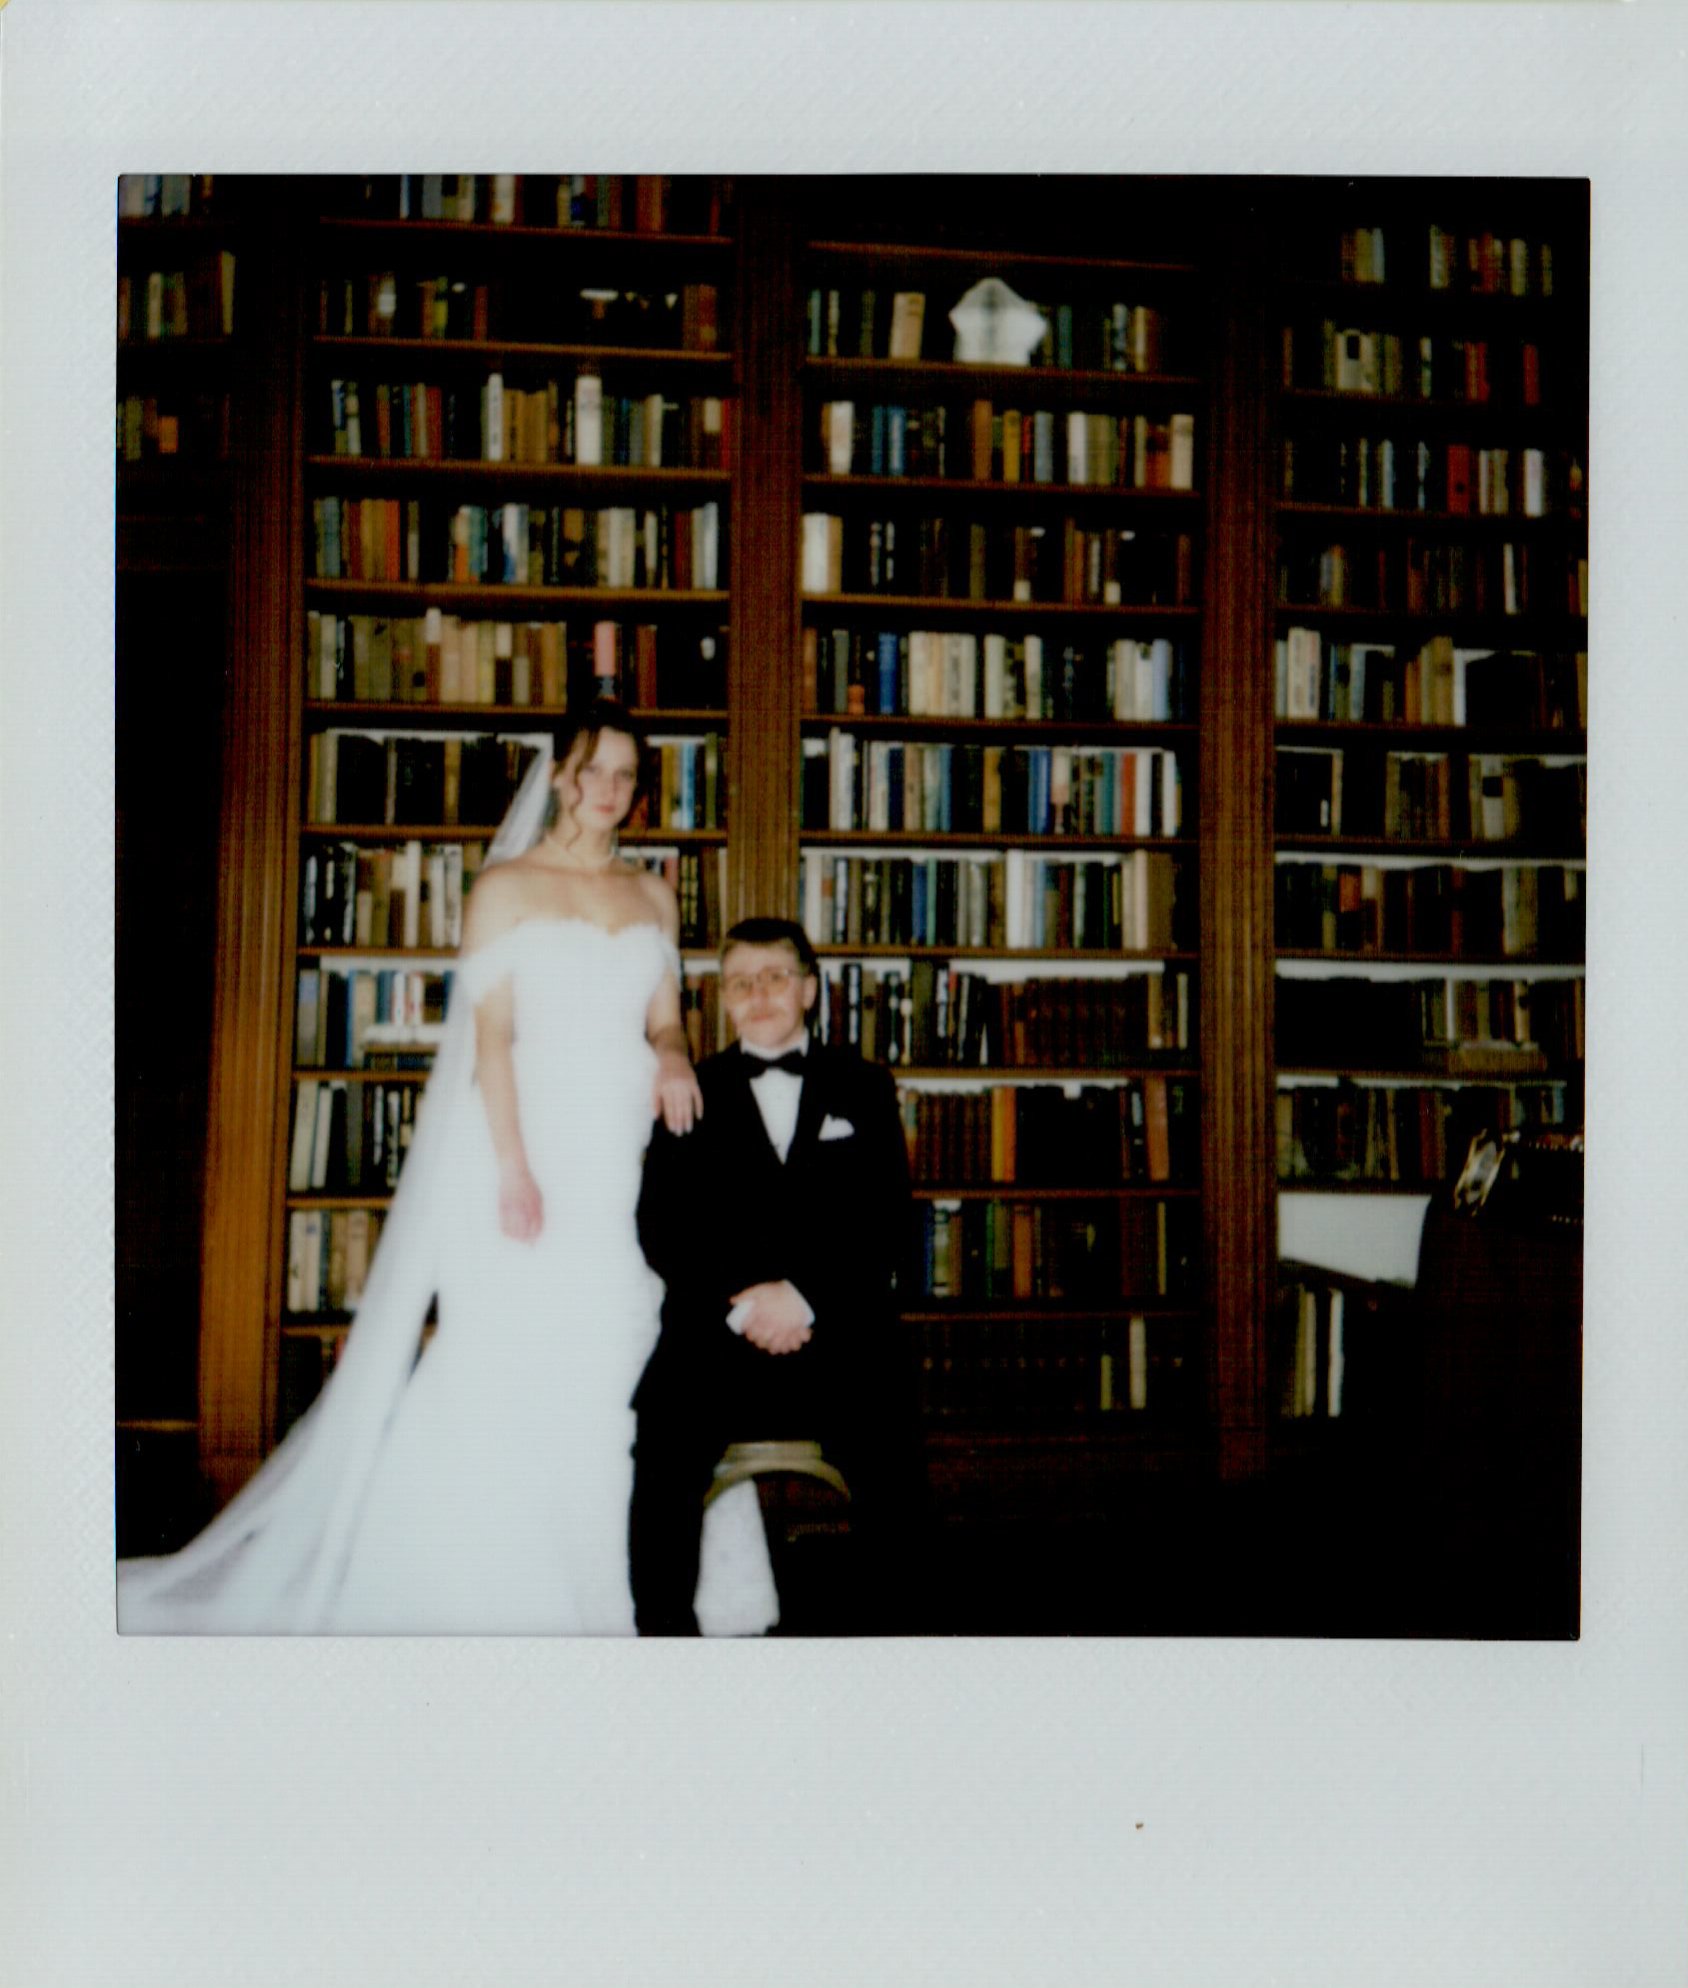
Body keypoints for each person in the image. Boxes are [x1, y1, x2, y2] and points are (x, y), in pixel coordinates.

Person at [118, 703, 777, 1636]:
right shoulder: (504, 888)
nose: (610, 793)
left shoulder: (654, 895)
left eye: (627, 776)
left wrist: (672, 1055)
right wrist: (513, 1167)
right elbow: (493, 1039)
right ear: (559, 775)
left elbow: (665, 1016)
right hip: (527, 1145)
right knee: (512, 1357)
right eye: (595, 771)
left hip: (627, 1158)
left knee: (631, 1355)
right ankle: (498, 1596)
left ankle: (650, 1589)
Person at [630, 917, 925, 1635]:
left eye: (775, 978)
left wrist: (805, 1298)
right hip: (716, 1337)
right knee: (661, 1454)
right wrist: (746, 1306)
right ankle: (659, 1659)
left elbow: (887, 1220)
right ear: (723, 1000)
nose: (758, 995)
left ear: (810, 989)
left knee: (895, 1462)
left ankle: (900, 1657)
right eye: (741, 983)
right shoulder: (690, 1090)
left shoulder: (863, 1086)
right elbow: (663, 1230)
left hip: (838, 1332)